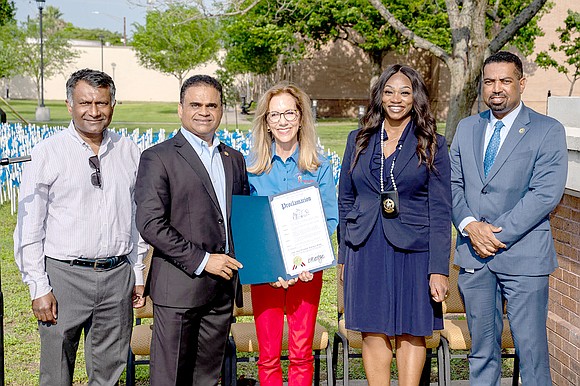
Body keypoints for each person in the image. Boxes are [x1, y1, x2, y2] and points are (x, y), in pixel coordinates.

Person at [13, 68, 146, 385]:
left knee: (109, 372)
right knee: (56, 371)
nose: (94, 111)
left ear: (113, 105)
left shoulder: (130, 152)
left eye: (102, 102)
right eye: (85, 102)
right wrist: (39, 287)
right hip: (63, 277)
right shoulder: (48, 152)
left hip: (116, 276)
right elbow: (29, 226)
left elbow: (136, 220)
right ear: (69, 104)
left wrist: (137, 273)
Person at [449, 51, 568, 386]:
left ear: (521, 83)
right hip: (475, 258)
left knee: (531, 353)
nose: (496, 88)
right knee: (482, 353)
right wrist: (471, 226)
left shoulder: (547, 130)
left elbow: (545, 194)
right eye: (489, 81)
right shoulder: (467, 127)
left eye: (505, 80)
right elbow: (452, 185)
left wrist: (495, 235)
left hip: (524, 258)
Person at [338, 64, 451, 385]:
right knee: (373, 328)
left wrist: (438, 268)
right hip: (365, 246)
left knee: (411, 330)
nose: (396, 98)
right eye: (389, 92)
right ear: (379, 97)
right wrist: (344, 254)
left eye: (405, 91)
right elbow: (346, 199)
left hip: (414, 250)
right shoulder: (357, 139)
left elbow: (441, 210)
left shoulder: (432, 144)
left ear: (416, 97)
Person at [135, 75, 250, 385]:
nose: (204, 111)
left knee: (207, 379)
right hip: (179, 290)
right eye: (195, 104)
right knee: (170, 378)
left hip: (222, 290)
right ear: (180, 109)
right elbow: (150, 224)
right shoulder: (158, 157)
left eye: (211, 105)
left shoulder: (234, 159)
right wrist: (203, 259)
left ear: (221, 109)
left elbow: (244, 220)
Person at [246, 82, 338, 386]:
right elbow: (249, 225)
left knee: (302, 354)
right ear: (266, 122)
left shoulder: (319, 167)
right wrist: (271, 267)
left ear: (300, 117)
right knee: (268, 355)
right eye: (275, 115)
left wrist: (305, 264)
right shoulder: (251, 168)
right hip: (267, 275)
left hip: (306, 274)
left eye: (289, 113)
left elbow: (330, 218)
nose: (282, 121)